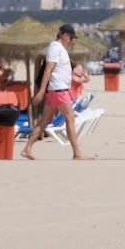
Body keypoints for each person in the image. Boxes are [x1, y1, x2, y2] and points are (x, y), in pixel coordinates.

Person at [22, 24, 92, 160]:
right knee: (70, 119)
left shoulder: (59, 49)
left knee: (45, 121)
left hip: (56, 90)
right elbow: (49, 70)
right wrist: (41, 91)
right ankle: (77, 153)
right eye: (71, 37)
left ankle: (27, 148)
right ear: (65, 35)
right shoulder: (55, 48)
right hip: (59, 90)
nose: (72, 40)